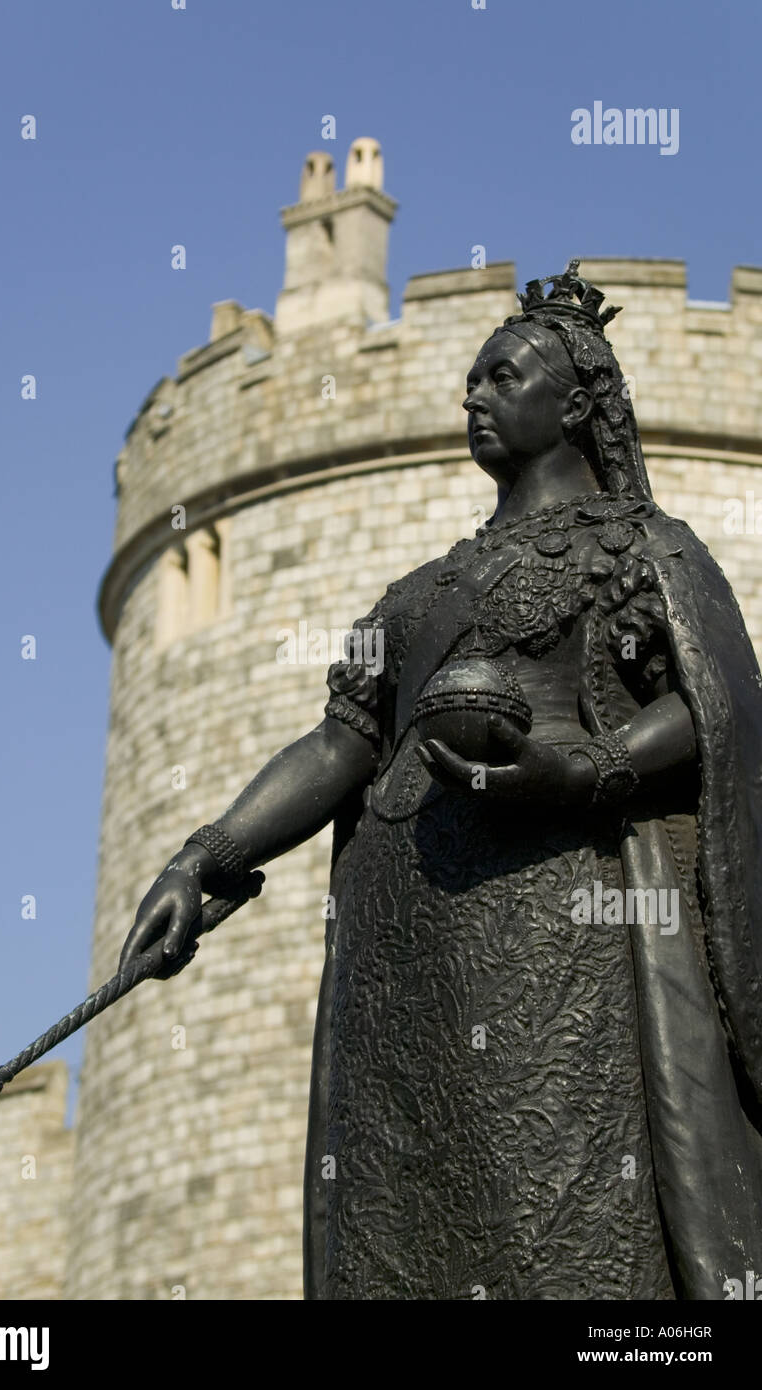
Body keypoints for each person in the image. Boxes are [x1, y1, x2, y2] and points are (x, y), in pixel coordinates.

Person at [120, 262, 762, 1300]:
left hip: (559, 941)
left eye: (503, 377)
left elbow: (719, 707)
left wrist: (596, 768)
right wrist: (209, 855)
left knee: (561, 1219)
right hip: (403, 956)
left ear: (577, 402)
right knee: (401, 1224)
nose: (474, 395)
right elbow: (340, 744)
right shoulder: (419, 594)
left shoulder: (646, 550)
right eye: (472, 379)